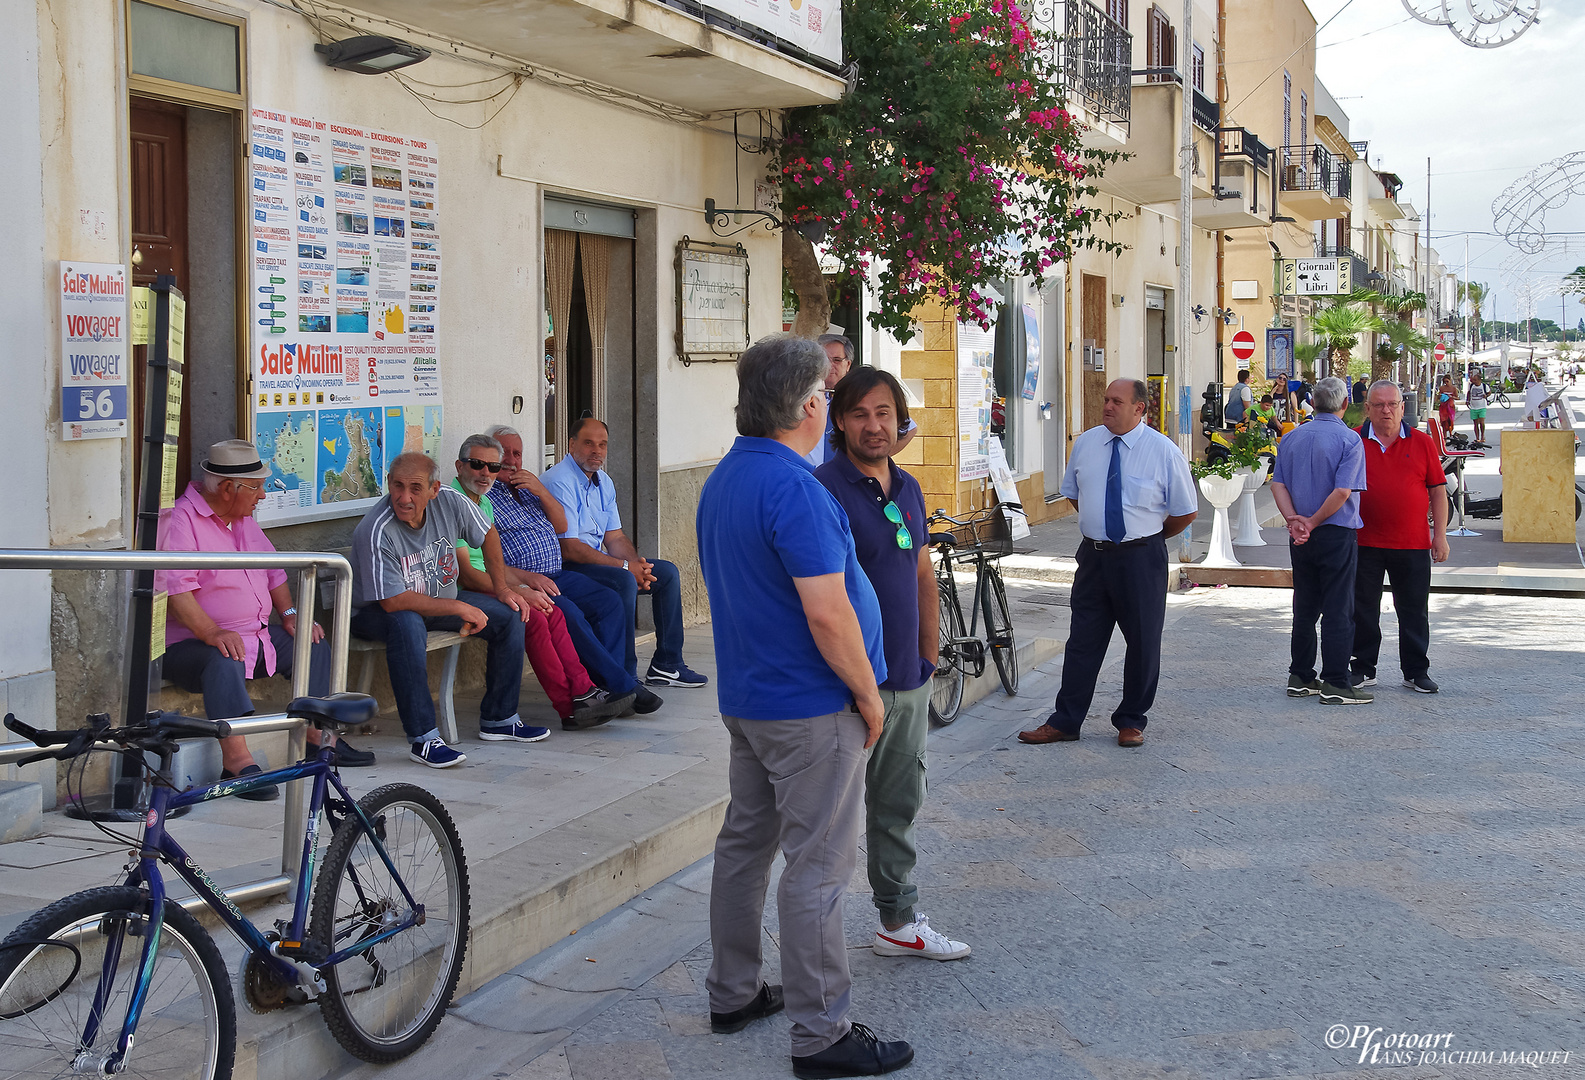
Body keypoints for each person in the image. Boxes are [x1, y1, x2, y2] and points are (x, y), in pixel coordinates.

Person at [699, 335, 912, 1079]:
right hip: (809, 707)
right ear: (812, 404)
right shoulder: (796, 488)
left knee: (743, 849)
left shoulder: (726, 475)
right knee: (816, 870)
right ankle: (821, 1035)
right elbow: (828, 613)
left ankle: (732, 991)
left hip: (751, 699)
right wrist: (865, 693)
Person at [814, 367, 970, 964]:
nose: (873, 426)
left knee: (900, 802)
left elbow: (923, 575)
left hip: (906, 678)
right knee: (828, 821)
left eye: (883, 413)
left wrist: (929, 657)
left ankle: (897, 920)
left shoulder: (907, 488)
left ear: (898, 420)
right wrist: (855, 680)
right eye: (859, 414)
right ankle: (815, 940)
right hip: (849, 686)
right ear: (839, 421)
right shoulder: (823, 489)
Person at [160, 440, 373, 802]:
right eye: (256, 486)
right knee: (224, 656)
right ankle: (237, 761)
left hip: (255, 637)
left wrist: (291, 616)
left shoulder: (240, 520)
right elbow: (175, 591)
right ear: (228, 489)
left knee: (313, 643)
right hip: (190, 645)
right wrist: (211, 631)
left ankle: (315, 736)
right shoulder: (180, 521)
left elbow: (274, 571)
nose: (263, 494)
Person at [1019, 379, 1197, 749]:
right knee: (1083, 640)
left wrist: (1143, 536)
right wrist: (1099, 527)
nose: (1108, 406)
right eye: (1106, 400)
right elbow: (1074, 495)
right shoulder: (1086, 444)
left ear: (1139, 409)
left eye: (1117, 401)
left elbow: (1185, 511)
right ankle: (1065, 720)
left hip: (1141, 560)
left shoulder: (1163, 451)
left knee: (1143, 642)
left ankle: (1131, 720)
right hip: (1094, 559)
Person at [350, 452, 542, 769]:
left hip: (434, 601)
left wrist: (502, 588)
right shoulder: (375, 530)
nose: (404, 497)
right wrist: (458, 606)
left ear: (434, 489)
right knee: (407, 624)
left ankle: (499, 718)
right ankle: (423, 738)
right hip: (376, 612)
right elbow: (393, 602)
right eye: (397, 486)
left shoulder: (450, 500)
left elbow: (488, 533)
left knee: (508, 615)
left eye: (414, 488)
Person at [450, 434, 632, 730]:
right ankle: (568, 707)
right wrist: (516, 591)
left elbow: (493, 563)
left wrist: (522, 584)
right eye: (477, 465)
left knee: (555, 612)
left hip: (511, 581)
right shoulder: (455, 502)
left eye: (491, 467)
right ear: (459, 466)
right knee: (532, 616)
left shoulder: (482, 501)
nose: (486, 473)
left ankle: (585, 691)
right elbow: (467, 573)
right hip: (464, 591)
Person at [483, 426, 660, 716]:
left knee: (609, 601)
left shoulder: (528, 490)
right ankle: (623, 686)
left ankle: (617, 683)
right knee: (570, 614)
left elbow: (562, 526)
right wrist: (525, 580)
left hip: (557, 574)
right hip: (527, 580)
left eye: (517, 454)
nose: (511, 460)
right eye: (504, 454)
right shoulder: (486, 496)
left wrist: (539, 490)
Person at [544, 419, 707, 690]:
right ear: (571, 445)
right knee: (623, 580)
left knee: (665, 573)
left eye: (602, 444)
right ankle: (625, 675)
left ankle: (667, 665)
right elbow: (569, 547)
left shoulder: (604, 482)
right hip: (568, 567)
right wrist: (624, 569)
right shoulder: (559, 480)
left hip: (596, 561)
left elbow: (615, 537)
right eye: (588, 443)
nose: (596, 451)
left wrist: (636, 566)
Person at [1271, 376, 1370, 706]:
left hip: (1300, 534)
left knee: (1305, 604)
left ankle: (1300, 674)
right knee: (1338, 608)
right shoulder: (1350, 440)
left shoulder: (1292, 438)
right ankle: (1336, 681)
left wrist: (1295, 522)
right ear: (1345, 404)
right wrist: (1313, 521)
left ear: (1311, 403)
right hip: (1335, 532)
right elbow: (1343, 491)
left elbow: (1278, 486)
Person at [1350, 381, 1449, 696]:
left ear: (1402, 407)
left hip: (1413, 543)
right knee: (1363, 609)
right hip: (1363, 543)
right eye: (1378, 405)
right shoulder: (1352, 441)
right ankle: (1363, 669)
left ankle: (1416, 671)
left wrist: (1441, 536)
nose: (1386, 411)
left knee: (1413, 610)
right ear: (1368, 408)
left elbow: (1437, 491)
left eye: (1392, 404)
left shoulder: (1422, 443)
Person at [1465, 371, 1490, 444]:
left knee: (1481, 422)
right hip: (1473, 407)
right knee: (1475, 423)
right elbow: (1469, 393)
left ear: (1479, 380)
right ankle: (1477, 437)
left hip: (1482, 406)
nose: (1474, 381)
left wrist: (1486, 395)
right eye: (1473, 380)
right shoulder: (1471, 386)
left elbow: (1489, 392)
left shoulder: (1484, 386)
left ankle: (1482, 436)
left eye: (1475, 380)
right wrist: (1467, 400)